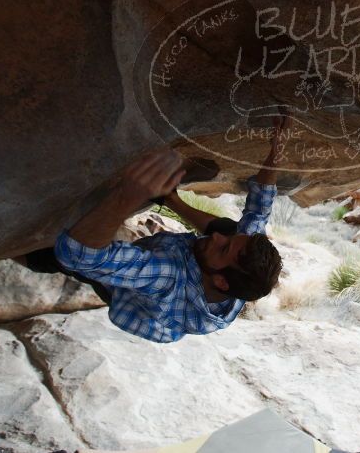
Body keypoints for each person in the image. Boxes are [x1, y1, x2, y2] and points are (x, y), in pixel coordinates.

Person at [50, 117, 289, 343]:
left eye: (224, 248)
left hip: (132, 301)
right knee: (230, 228)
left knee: (56, 257)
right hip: (193, 276)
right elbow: (258, 210)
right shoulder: (239, 270)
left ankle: (35, 259)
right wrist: (278, 149)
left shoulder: (166, 278)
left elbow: (77, 254)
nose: (216, 237)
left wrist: (128, 196)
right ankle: (169, 198)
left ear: (220, 281)